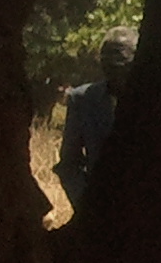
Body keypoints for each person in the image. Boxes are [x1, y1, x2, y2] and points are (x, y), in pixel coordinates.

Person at [55, 27, 137, 208]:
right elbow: (69, 165)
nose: (114, 72)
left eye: (121, 65)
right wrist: (86, 205)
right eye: (107, 65)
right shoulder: (82, 99)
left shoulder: (155, 100)